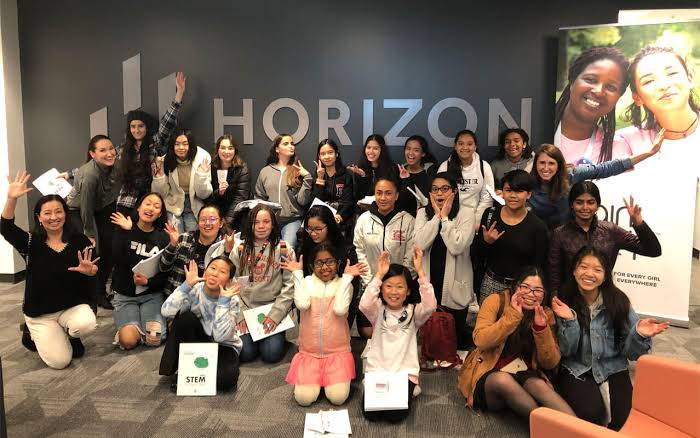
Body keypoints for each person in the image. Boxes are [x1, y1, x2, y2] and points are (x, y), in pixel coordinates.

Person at [552, 246, 669, 430]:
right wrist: (570, 321)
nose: (589, 274)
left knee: (623, 421)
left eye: (597, 269)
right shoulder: (563, 299)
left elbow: (633, 354)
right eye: (583, 267)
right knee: (591, 414)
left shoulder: (618, 301)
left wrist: (638, 335)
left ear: (606, 275)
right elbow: (566, 351)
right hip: (577, 369)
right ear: (574, 270)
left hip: (613, 368)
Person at [1, 171, 98, 369]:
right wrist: (11, 198)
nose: (54, 217)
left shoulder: (80, 240)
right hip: (41, 314)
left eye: (58, 211)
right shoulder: (31, 242)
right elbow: (6, 228)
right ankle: (31, 332)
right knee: (60, 362)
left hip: (70, 307)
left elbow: (95, 269)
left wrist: (90, 271)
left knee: (86, 324)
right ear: (39, 217)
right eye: (47, 213)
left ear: (65, 214)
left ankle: (67, 333)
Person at [457, 266, 574, 419]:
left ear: (544, 294)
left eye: (538, 290)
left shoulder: (545, 313)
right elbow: (480, 340)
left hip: (523, 373)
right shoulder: (496, 301)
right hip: (491, 373)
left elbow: (550, 363)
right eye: (525, 287)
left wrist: (541, 329)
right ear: (515, 286)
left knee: (539, 385)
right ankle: (546, 424)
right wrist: (512, 315)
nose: (531, 294)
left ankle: (578, 429)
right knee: (503, 381)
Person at [282, 242, 367, 406]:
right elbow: (302, 305)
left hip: (337, 354)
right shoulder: (306, 282)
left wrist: (347, 278)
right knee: (303, 399)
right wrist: (297, 275)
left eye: (330, 261)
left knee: (338, 398)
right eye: (319, 263)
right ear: (311, 266)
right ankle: (317, 379)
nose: (325, 267)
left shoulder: (344, 284)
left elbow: (340, 309)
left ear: (338, 263)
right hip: (310, 354)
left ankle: (326, 380)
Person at [359, 248, 437, 423]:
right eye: (388, 286)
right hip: (378, 370)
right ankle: (379, 387)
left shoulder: (414, 312)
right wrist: (379, 274)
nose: (394, 292)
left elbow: (430, 305)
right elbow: (364, 303)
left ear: (408, 291)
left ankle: (412, 387)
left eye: (400, 287)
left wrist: (420, 272)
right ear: (382, 289)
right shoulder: (377, 310)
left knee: (395, 416)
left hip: (404, 373)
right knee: (371, 415)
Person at [548, 181, 661, 293]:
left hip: (605, 298)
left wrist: (639, 223)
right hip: (570, 298)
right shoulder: (559, 234)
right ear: (571, 205)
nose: (585, 207)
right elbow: (553, 277)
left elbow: (653, 251)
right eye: (579, 202)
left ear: (598, 205)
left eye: (590, 202)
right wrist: (555, 300)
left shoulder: (611, 231)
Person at [528, 142, 661, 230]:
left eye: (551, 163)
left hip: (566, 237)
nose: (546, 168)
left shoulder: (571, 176)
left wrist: (649, 152)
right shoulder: (528, 183)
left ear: (558, 165)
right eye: (542, 163)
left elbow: (605, 168)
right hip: (539, 239)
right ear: (536, 164)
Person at [159, 257, 241, 392]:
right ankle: (182, 368)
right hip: (198, 339)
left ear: (229, 280)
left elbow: (220, 337)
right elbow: (166, 312)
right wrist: (185, 286)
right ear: (205, 271)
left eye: (222, 272)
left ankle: (195, 371)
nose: (215, 274)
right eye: (212, 268)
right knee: (185, 318)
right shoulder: (194, 289)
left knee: (226, 381)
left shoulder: (232, 300)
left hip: (224, 345)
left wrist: (223, 302)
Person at [414, 172, 475, 350]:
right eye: (435, 189)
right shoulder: (422, 213)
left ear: (454, 192)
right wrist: (436, 217)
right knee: (429, 339)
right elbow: (419, 244)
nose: (439, 193)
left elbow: (457, 246)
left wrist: (446, 219)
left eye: (445, 189)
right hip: (430, 283)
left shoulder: (466, 214)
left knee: (452, 341)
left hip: (455, 286)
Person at [618, 45, 700, 172]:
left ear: (689, 78)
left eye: (672, 73)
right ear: (637, 97)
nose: (664, 85)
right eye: (649, 81)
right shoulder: (626, 143)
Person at [229, 204, 295, 363]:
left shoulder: (284, 249)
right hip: (246, 309)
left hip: (272, 308)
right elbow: (230, 284)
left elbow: (289, 286)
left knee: (271, 354)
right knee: (245, 353)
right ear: (250, 224)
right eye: (256, 222)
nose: (261, 226)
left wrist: (276, 315)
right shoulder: (239, 249)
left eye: (266, 222)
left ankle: (277, 336)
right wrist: (240, 315)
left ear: (273, 224)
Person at [473, 170, 548, 303]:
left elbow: (538, 265)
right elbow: (476, 255)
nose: (513, 195)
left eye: (519, 191)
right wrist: (486, 242)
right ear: (502, 192)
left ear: (529, 194)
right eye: (508, 190)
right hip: (491, 282)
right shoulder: (490, 214)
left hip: (521, 288)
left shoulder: (538, 227)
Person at [353, 177, 415, 338]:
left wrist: (400, 284)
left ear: (396, 195)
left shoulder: (408, 221)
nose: (383, 198)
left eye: (388, 193)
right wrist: (371, 281)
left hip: (398, 287)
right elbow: (359, 250)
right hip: (371, 283)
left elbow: (411, 257)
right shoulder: (364, 219)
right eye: (379, 193)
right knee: (368, 332)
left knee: (396, 331)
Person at [116, 72, 186, 214]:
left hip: (150, 199)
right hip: (126, 201)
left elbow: (168, 122)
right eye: (133, 126)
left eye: (140, 126)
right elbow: (102, 158)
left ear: (147, 127)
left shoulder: (155, 143)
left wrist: (179, 93)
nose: (136, 130)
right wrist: (71, 174)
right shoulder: (123, 148)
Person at [66, 134, 120, 309]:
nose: (109, 153)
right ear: (92, 154)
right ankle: (93, 294)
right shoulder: (89, 175)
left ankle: (101, 290)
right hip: (79, 210)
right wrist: (89, 233)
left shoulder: (115, 165)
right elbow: (86, 207)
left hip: (102, 206)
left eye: (111, 148)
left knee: (110, 248)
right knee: (94, 250)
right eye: (103, 150)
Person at [109, 193, 170, 350]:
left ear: (160, 214)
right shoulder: (125, 228)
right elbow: (117, 259)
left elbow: (165, 274)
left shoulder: (163, 237)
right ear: (138, 207)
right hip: (125, 296)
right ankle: (131, 326)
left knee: (154, 339)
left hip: (151, 295)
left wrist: (148, 282)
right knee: (128, 341)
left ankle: (142, 325)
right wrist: (126, 232)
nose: (151, 208)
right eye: (147, 204)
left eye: (156, 206)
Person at [554, 47, 632, 164]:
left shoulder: (618, 151)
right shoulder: (534, 124)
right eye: (590, 80)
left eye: (610, 87)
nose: (599, 91)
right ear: (572, 79)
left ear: (619, 96)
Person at [296, 206, 361, 328]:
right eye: (309, 229)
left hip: (339, 306)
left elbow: (353, 287)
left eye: (318, 229)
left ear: (329, 226)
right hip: (312, 307)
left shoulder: (346, 251)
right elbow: (301, 285)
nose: (313, 233)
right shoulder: (304, 248)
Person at [255, 134, 312, 249]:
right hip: (269, 221)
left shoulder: (297, 170)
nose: (291, 146)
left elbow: (302, 201)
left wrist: (307, 177)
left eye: (292, 144)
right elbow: (259, 198)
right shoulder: (265, 171)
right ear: (277, 149)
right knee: (265, 250)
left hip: (292, 220)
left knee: (286, 249)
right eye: (286, 144)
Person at [151, 129, 213, 233]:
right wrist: (159, 177)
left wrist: (201, 175)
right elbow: (159, 194)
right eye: (177, 144)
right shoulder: (165, 160)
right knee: (175, 235)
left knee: (192, 234)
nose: (181, 148)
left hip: (194, 203)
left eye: (185, 144)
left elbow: (204, 194)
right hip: (172, 203)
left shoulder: (202, 158)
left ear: (191, 145)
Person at [159, 204, 228, 295]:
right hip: (176, 295)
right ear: (198, 223)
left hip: (205, 299)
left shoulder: (225, 245)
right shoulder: (185, 238)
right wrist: (173, 244)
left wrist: (228, 252)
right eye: (203, 219)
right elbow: (163, 267)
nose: (207, 223)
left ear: (221, 223)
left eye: (212, 219)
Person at [438, 129, 494, 228]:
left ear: (475, 147)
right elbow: (439, 196)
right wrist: (447, 220)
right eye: (461, 144)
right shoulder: (445, 166)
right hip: (450, 220)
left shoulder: (484, 166)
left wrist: (476, 221)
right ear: (455, 146)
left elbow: (487, 198)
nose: (465, 147)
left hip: (475, 221)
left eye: (469, 144)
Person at [311, 138, 354, 234]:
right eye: (323, 154)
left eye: (330, 152)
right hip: (321, 219)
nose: (327, 157)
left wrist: (339, 216)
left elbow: (348, 203)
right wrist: (320, 178)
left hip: (340, 220)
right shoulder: (317, 176)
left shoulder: (346, 175)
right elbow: (315, 202)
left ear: (336, 154)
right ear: (319, 156)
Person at [208, 134, 251, 230]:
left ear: (235, 151)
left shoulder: (242, 168)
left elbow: (240, 198)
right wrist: (219, 192)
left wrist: (226, 224)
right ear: (218, 150)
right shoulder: (211, 168)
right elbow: (207, 197)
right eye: (223, 148)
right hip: (215, 215)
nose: (226, 151)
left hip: (237, 216)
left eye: (230, 148)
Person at [348, 134, 399, 200]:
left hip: (384, 204)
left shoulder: (392, 169)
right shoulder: (360, 169)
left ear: (382, 150)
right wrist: (363, 176)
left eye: (375, 148)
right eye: (368, 147)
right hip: (364, 205)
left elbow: (392, 194)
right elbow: (358, 196)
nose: (371, 151)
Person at [397, 134, 438, 216]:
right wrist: (405, 180)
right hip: (404, 218)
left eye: (416, 150)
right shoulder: (398, 171)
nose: (411, 153)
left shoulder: (431, 172)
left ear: (423, 153)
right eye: (408, 149)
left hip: (427, 217)